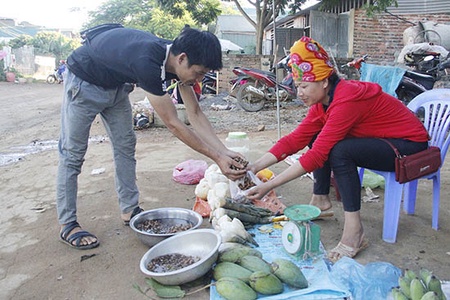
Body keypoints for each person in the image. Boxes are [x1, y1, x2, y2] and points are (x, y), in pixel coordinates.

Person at [57, 25, 247, 250]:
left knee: (125, 147)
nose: (199, 78)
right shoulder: (147, 62)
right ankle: (68, 224)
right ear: (182, 59)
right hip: (84, 81)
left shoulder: (178, 58)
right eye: (199, 73)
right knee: (73, 154)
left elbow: (194, 113)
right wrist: (217, 158)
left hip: (116, 86)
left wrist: (224, 152)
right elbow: (174, 123)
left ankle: (130, 209)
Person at [245, 36, 430, 262]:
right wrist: (254, 167)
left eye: (304, 86)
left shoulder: (346, 98)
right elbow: (295, 140)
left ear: (324, 81)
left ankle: (355, 233)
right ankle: (321, 200)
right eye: (297, 86)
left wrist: (270, 184)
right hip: (386, 142)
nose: (299, 93)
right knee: (318, 137)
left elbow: (318, 155)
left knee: (339, 151)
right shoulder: (323, 103)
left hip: (410, 147)